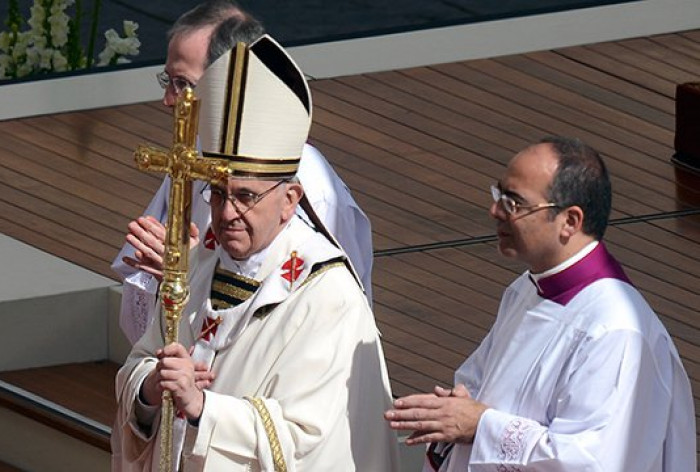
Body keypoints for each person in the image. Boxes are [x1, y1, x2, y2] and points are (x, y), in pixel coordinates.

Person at [111, 34, 399, 471]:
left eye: (245, 196)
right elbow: (141, 360)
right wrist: (151, 387)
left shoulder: (327, 296)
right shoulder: (201, 264)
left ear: (290, 200)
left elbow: (309, 442)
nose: (227, 213)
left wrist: (202, 407)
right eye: (217, 193)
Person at [385, 136, 696, 471]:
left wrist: (481, 425)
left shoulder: (616, 332)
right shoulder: (528, 288)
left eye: (513, 203)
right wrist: (453, 409)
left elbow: (591, 460)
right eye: (499, 195)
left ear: (570, 221)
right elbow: (482, 386)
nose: (495, 211)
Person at [111, 0, 374, 344]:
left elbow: (317, 307)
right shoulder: (194, 156)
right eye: (168, 80)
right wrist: (173, 275)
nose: (169, 99)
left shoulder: (311, 189)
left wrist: (194, 269)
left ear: (229, 81)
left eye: (182, 84)